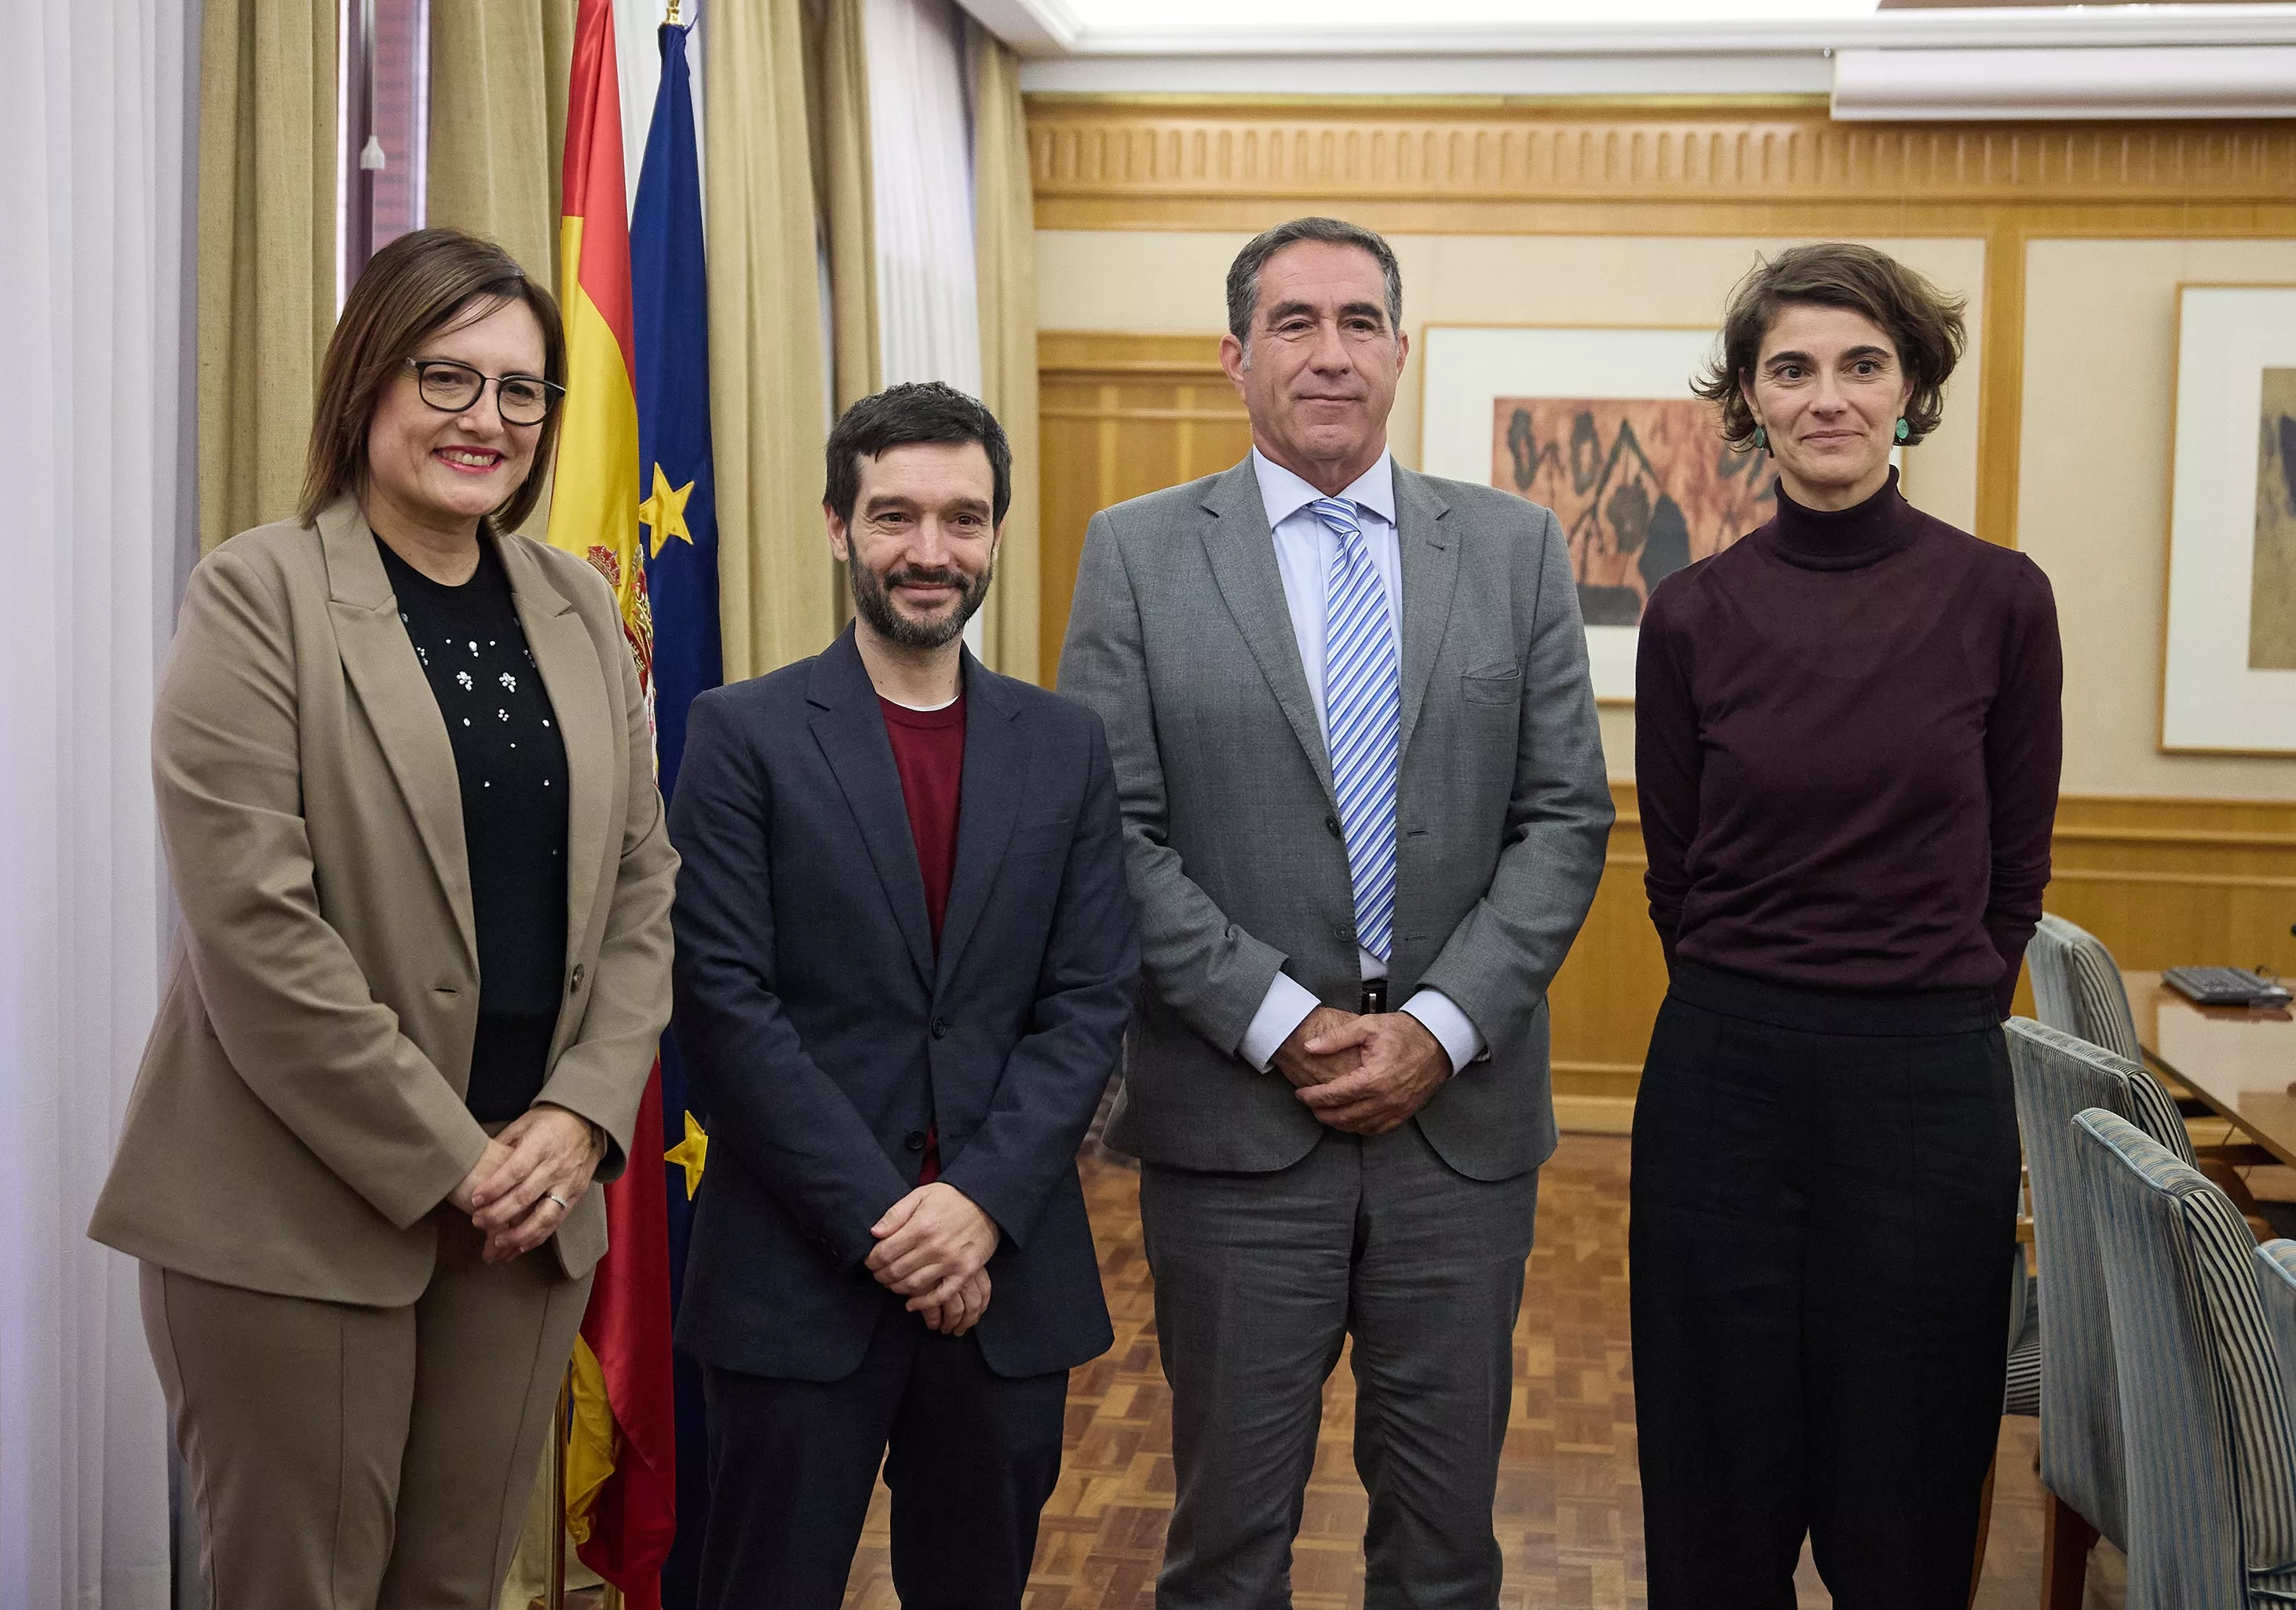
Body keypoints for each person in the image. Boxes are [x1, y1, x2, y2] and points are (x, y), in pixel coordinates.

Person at [88, 227, 678, 1608]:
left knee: (457, 1588)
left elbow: (643, 885)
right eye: (447, 376)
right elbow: (257, 933)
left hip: (528, 1210)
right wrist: (457, 1156)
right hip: (293, 1213)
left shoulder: (579, 605)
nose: (488, 418)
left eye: (521, 389)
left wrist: (582, 1115)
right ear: (368, 381)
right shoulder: (258, 596)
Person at [1059, 217, 1614, 1606]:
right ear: (1235, 355)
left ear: (1399, 353)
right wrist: (1278, 1019)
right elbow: (1113, 831)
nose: (1330, 353)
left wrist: (1438, 1026)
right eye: (1294, 323)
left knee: (1444, 1553)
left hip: (1459, 1134)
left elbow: (1564, 818)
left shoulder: (1516, 548)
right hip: (1237, 1128)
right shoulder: (1137, 553)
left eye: (1359, 322)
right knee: (1227, 1549)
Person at [1631, 242, 2063, 1607]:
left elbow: (2017, 867)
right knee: (1716, 1498)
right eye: (1793, 369)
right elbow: (1676, 873)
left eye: (1863, 364)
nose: (1829, 396)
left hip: (1928, 1090)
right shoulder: (1690, 615)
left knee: (1908, 1506)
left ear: (1912, 390)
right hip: (1723, 1084)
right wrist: (1769, 997)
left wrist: (1936, 1004)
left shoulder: (2003, 599)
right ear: (1750, 401)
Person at [670, 382, 1140, 1610]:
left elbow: (1090, 1000)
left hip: (1005, 1283)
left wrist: (977, 1207)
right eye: (895, 516)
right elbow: (723, 1007)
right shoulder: (742, 735)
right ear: (839, 525)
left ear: (996, 533)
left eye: (962, 518)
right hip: (796, 1280)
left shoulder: (1066, 747)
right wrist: (897, 1227)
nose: (931, 550)